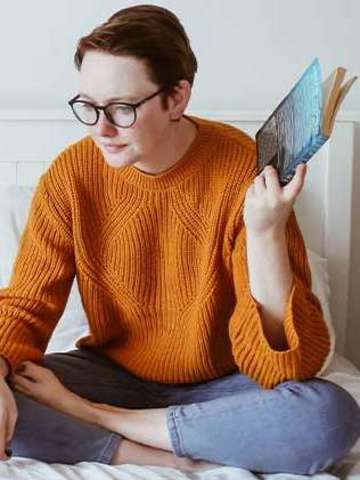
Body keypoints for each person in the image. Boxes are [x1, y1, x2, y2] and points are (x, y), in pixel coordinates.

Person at [0, 4, 359, 474]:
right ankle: (151, 450)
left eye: (122, 108)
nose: (100, 129)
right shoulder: (71, 175)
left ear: (176, 98)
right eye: (88, 107)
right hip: (111, 372)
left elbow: (285, 368)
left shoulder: (240, 169)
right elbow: (26, 305)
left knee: (327, 416)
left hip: (226, 384)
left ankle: (107, 424)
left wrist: (265, 232)